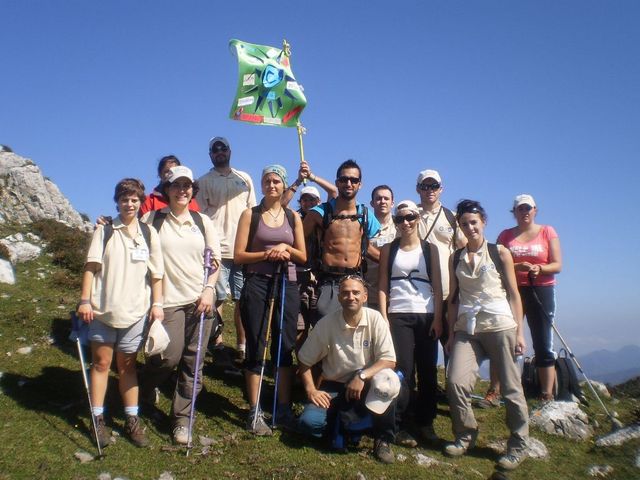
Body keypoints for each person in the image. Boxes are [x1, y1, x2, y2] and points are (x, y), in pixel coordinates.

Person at [77, 178, 164, 449]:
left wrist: (157, 305)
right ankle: (98, 418)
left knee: (127, 367)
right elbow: (91, 268)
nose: (129, 204)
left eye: (134, 200)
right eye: (125, 199)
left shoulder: (149, 234)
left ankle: (132, 420)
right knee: (102, 364)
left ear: (141, 202)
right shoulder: (104, 232)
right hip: (103, 311)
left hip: (136, 312)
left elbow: (157, 275)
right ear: (117, 201)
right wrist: (84, 301)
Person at [444, 200, 529, 471]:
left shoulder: (499, 252)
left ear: (483, 222)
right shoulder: (455, 257)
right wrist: (449, 333)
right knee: (455, 381)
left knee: (511, 387)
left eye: (474, 222)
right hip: (466, 328)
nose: (470, 228)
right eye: (464, 223)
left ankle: (518, 444)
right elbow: (453, 298)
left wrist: (519, 332)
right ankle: (465, 434)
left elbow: (514, 294)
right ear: (459, 226)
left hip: (499, 324)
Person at [140, 166, 221, 445]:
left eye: (187, 186)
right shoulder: (153, 219)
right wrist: (107, 225)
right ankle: (143, 388)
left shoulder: (202, 221)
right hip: (167, 302)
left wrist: (209, 290)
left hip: (200, 302)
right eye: (176, 185)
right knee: (167, 357)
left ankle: (182, 420)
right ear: (167, 189)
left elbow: (215, 261)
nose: (182, 190)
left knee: (193, 363)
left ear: (192, 190)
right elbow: (131, 239)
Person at [234, 165, 306, 436]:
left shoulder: (293, 217)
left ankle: (283, 407)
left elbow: (302, 256)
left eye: (276, 181)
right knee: (256, 341)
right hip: (257, 283)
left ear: (284, 184)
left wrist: (285, 248)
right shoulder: (249, 215)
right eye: (267, 180)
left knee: (284, 344)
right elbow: (239, 255)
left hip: (287, 283)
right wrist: (267, 255)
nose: (271, 185)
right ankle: (254, 410)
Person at [297, 276, 398, 464]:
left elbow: (389, 360)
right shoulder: (326, 323)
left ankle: (383, 439)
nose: (350, 297)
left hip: (368, 386)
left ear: (365, 296)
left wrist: (362, 376)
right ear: (338, 297)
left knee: (389, 379)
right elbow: (304, 360)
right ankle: (353, 428)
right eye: (345, 293)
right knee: (308, 423)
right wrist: (311, 390)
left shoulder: (376, 319)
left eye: (356, 293)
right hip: (334, 386)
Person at [377, 200, 442, 446]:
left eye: (410, 217)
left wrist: (438, 318)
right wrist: (384, 316)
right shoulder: (388, 249)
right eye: (400, 218)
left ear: (417, 218)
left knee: (428, 371)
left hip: (426, 314)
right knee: (402, 371)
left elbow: (437, 285)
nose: (405, 222)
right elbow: (383, 285)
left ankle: (426, 422)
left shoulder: (430, 249)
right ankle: (400, 423)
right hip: (398, 315)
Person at [496, 194, 562, 403]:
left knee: (543, 340)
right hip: (511, 289)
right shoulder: (505, 235)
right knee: (505, 339)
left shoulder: (547, 231)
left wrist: (540, 268)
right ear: (514, 212)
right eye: (520, 208)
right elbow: (496, 263)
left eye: (528, 208)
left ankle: (546, 393)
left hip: (541, 288)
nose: (524, 212)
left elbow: (557, 264)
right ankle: (500, 390)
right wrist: (517, 266)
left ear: (535, 210)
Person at [196, 137, 256, 364]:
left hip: (242, 248)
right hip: (217, 248)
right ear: (210, 154)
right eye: (215, 149)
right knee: (217, 297)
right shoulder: (203, 181)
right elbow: (200, 216)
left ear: (230, 150)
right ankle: (217, 343)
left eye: (223, 148)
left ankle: (242, 346)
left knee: (243, 299)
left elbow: (253, 211)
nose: (219, 152)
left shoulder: (245, 178)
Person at [303, 159, 381, 323]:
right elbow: (299, 242)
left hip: (356, 282)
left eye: (354, 180)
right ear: (337, 183)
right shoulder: (318, 213)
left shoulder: (366, 215)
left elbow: (366, 247)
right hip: (328, 281)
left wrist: (391, 262)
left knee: (356, 334)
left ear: (360, 184)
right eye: (344, 179)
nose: (349, 183)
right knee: (326, 333)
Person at [415, 169, 466, 368]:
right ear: (418, 189)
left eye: (434, 186)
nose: (430, 190)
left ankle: (452, 386)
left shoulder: (452, 217)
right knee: (424, 343)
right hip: (420, 292)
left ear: (441, 189)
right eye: (425, 186)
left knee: (449, 340)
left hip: (447, 291)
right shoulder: (410, 215)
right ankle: (428, 386)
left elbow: (463, 249)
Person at [365, 185, 397, 310]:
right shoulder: (363, 227)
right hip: (369, 295)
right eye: (378, 198)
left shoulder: (401, 226)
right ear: (372, 203)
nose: (382, 201)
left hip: (394, 297)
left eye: (386, 198)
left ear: (392, 203)